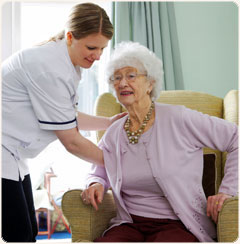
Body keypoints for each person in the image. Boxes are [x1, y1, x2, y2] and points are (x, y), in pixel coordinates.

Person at [82, 42, 238, 242]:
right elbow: (100, 167)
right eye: (116, 78)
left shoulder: (179, 119)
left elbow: (236, 138)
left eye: (131, 75)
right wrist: (96, 183)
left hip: (178, 224)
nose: (122, 83)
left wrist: (226, 191)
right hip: (129, 223)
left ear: (150, 83)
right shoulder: (115, 133)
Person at [1, 3, 126, 242]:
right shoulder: (49, 68)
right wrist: (121, 165)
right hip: (3, 149)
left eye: (102, 48)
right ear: (70, 36)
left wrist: (108, 123)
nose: (98, 56)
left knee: (27, 232)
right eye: (92, 47)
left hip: (13, 154)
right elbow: (72, 141)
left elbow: (65, 115)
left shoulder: (66, 63)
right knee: (19, 235)